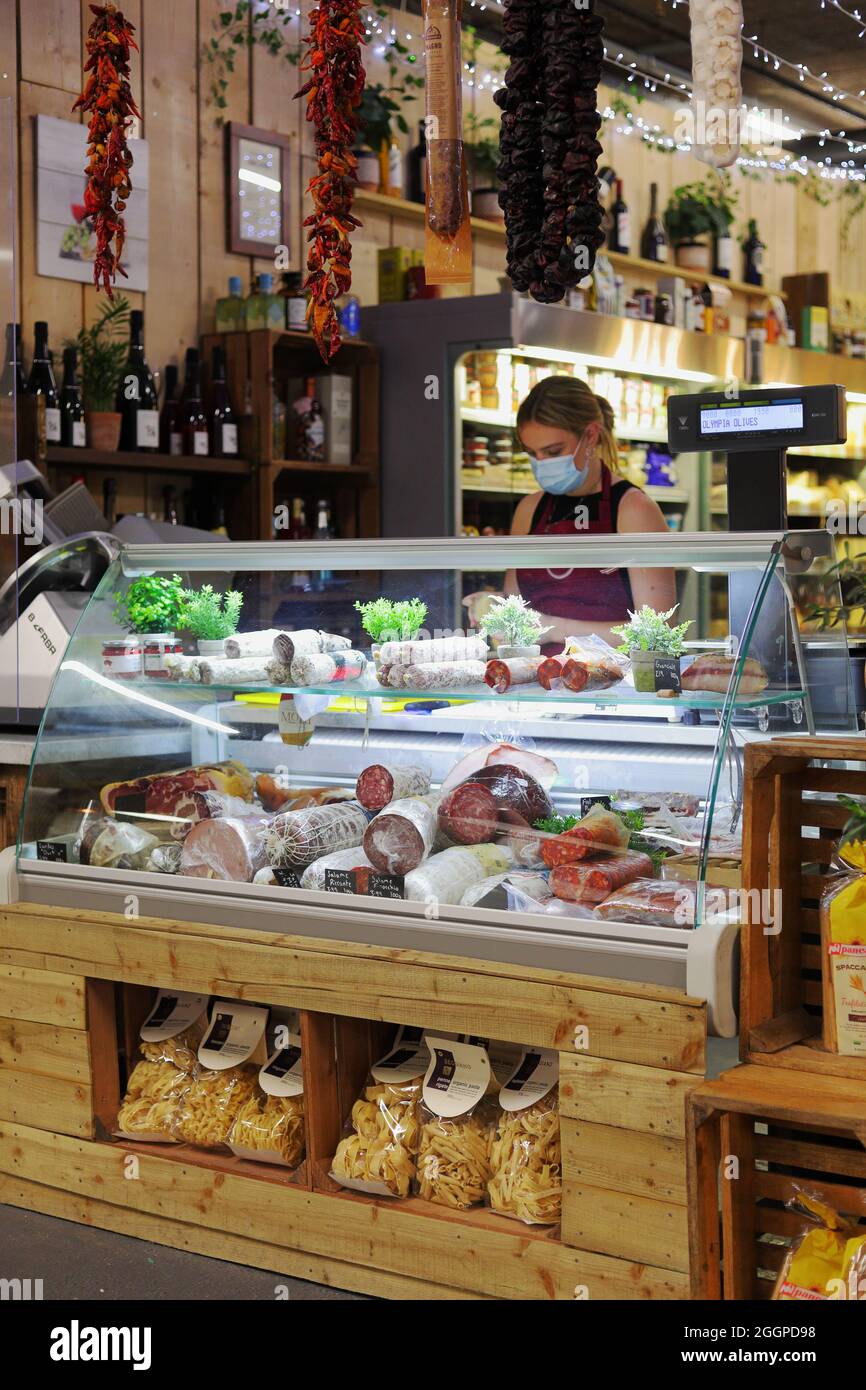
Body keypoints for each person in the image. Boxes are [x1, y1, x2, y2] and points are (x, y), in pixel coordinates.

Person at [472, 376, 677, 648]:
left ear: (590, 436)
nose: (542, 464)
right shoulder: (529, 510)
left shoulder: (633, 509)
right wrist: (491, 607)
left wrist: (557, 629)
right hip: (535, 684)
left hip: (613, 685)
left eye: (553, 451)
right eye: (532, 454)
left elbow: (659, 634)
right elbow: (519, 617)